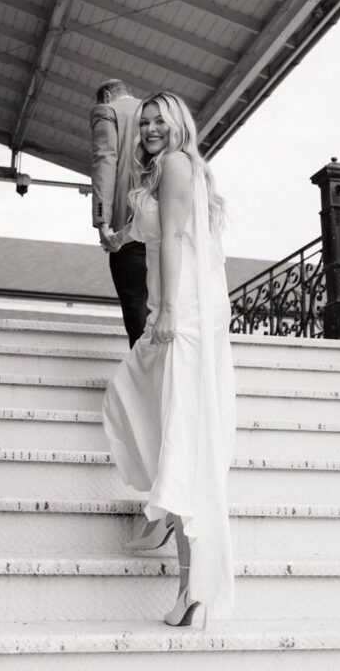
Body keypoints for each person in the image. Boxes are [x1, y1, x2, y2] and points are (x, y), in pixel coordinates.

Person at [102, 92, 236, 626]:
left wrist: (168, 313)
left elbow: (175, 240)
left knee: (181, 441)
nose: (151, 128)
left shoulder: (178, 165)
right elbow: (150, 228)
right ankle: (162, 509)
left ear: (180, 125)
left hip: (185, 317)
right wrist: (118, 237)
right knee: (134, 400)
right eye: (146, 122)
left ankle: (189, 588)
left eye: (161, 121)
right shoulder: (162, 171)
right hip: (175, 314)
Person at [90, 79, 148, 347]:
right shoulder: (154, 112)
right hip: (162, 223)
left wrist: (102, 221)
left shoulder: (107, 111)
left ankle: (143, 372)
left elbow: (105, 160)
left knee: (135, 305)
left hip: (128, 226)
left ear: (106, 95)